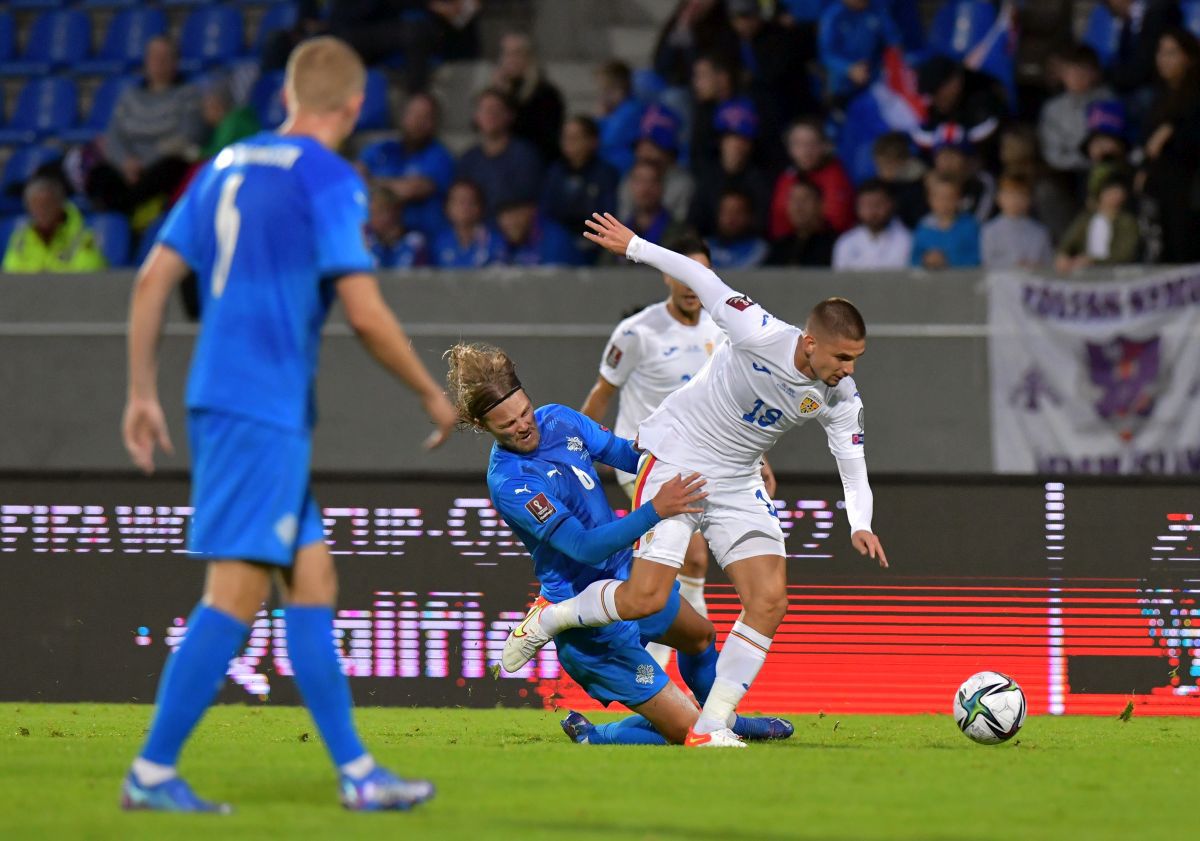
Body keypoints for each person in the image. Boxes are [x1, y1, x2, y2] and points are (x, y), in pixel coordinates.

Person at [119, 37, 457, 813]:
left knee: (314, 578)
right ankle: (152, 770)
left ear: (287, 99)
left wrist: (141, 391)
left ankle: (359, 773)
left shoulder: (228, 163)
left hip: (228, 397)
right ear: (354, 107)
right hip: (258, 407)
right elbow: (367, 314)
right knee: (235, 595)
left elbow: (152, 278)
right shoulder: (331, 177)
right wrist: (428, 394)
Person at [504, 212, 888, 747]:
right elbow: (704, 278)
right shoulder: (756, 329)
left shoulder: (843, 396)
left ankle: (711, 726)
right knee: (642, 600)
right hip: (678, 460)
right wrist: (634, 244)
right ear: (808, 343)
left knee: (770, 600)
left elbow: (851, 461)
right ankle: (551, 618)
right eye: (842, 357)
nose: (849, 370)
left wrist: (860, 522)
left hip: (735, 482)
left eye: (856, 360)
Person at [449, 343, 792, 746]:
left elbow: (631, 456)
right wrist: (654, 510)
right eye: (507, 425)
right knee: (691, 733)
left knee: (699, 638)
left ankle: (727, 719)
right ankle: (598, 737)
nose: (523, 425)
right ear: (482, 426)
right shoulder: (512, 482)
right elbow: (582, 547)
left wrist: (727, 458)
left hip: (632, 582)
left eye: (524, 411)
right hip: (589, 622)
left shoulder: (559, 420)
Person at [580, 233, 738, 668]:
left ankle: (665, 653)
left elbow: (733, 403)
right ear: (666, 274)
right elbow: (601, 395)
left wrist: (759, 460)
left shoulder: (723, 331)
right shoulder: (636, 333)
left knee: (683, 565)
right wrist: (574, 453)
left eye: (703, 273)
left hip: (703, 458)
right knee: (693, 553)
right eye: (684, 272)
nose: (692, 283)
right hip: (643, 458)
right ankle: (690, 655)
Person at [88, 36, 206, 217]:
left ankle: (127, 214)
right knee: (98, 174)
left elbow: (188, 136)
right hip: (127, 168)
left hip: (160, 166)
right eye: (154, 57)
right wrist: (125, 163)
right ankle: (122, 217)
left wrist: (143, 164)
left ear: (175, 62)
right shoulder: (129, 96)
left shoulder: (189, 95)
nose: (159, 63)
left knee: (172, 168)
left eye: (165, 58)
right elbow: (113, 136)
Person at [1138, 27, 1200, 264]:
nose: (1163, 59)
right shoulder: (1159, 96)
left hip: (1188, 185)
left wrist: (1172, 131)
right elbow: (1147, 145)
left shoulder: (1195, 97)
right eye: (1160, 52)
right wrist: (1144, 169)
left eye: (1171, 52)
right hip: (1160, 185)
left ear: (1190, 57)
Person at [359, 92, 456, 238]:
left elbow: (413, 189)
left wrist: (371, 182)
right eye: (413, 114)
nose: (418, 121)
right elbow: (356, 175)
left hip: (424, 241)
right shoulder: (384, 148)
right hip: (380, 241)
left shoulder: (440, 157)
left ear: (434, 122)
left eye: (425, 116)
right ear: (403, 116)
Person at [540, 116, 619, 264]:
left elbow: (608, 214)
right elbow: (546, 211)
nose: (568, 143)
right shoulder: (555, 172)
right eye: (565, 137)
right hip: (559, 242)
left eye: (575, 137)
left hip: (594, 244)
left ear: (592, 141)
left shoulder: (606, 174)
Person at [689, 98, 771, 237]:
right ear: (721, 142)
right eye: (730, 138)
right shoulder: (708, 179)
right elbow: (695, 223)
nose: (736, 145)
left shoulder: (760, 181)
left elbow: (763, 225)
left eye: (742, 139)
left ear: (750, 145)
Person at [456, 88, 544, 217]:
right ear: (476, 116)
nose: (490, 115)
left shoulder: (525, 156)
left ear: (509, 115)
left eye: (496, 109)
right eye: (484, 109)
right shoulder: (468, 159)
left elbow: (528, 205)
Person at [769, 118, 856, 239]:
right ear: (789, 149)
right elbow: (779, 222)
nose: (805, 151)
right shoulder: (787, 178)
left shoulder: (836, 176)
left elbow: (838, 222)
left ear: (824, 146)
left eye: (812, 144)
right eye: (798, 144)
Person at [2, 177, 107, 273]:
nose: (42, 212)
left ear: (60, 205)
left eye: (46, 206)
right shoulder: (21, 238)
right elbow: (10, 271)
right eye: (36, 207)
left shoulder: (82, 237)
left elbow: (90, 271)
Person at [1038, 44, 1114, 176]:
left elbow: (1115, 145)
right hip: (1067, 173)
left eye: (1083, 71)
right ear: (1062, 74)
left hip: (1105, 169)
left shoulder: (1108, 100)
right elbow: (1053, 154)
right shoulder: (1053, 109)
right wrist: (1082, 161)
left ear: (1095, 73)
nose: (1077, 77)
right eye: (1071, 71)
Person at [491, 32, 565, 164]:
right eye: (506, 54)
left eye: (517, 53)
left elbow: (540, 136)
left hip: (535, 160)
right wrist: (499, 96)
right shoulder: (497, 92)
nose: (510, 60)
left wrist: (507, 100)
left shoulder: (546, 93)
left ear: (529, 57)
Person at [818, 0, 902, 103]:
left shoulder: (877, 10)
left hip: (875, 79)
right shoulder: (833, 16)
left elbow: (893, 40)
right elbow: (827, 53)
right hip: (844, 82)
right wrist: (848, 69)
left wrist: (893, 57)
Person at [1055, 174, 1140, 273]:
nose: (1114, 196)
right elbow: (1068, 241)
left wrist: (1092, 261)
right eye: (1110, 192)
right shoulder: (1086, 219)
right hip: (1086, 273)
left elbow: (1124, 254)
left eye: (1117, 192)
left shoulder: (1127, 222)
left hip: (1115, 273)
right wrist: (1063, 255)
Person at [832, 179, 912, 270]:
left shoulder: (907, 240)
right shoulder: (846, 242)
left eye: (878, 204)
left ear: (891, 204)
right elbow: (839, 281)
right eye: (866, 205)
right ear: (857, 208)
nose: (872, 211)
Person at [980, 173, 1054, 269]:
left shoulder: (1040, 232)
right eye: (1010, 193)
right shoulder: (989, 230)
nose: (1015, 199)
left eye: (1021, 194)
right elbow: (987, 263)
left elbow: (1048, 264)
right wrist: (1015, 264)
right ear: (999, 198)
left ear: (1029, 199)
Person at [910, 173, 982, 268]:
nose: (944, 203)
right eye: (939, 198)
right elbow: (913, 260)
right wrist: (925, 260)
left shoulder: (969, 225)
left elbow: (977, 258)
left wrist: (948, 260)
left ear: (959, 199)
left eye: (949, 198)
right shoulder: (923, 226)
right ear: (929, 199)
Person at [431, 179, 504, 268]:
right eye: (459, 202)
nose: (465, 207)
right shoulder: (437, 242)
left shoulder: (494, 241)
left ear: (480, 207)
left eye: (470, 202)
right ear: (447, 207)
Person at [619, 161, 690, 249]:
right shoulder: (621, 229)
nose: (645, 188)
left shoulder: (680, 233)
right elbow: (605, 261)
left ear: (662, 186)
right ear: (630, 186)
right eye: (639, 181)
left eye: (652, 181)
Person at [767, 179, 836, 267]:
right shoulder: (779, 247)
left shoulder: (835, 245)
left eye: (805, 199)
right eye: (793, 199)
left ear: (821, 205)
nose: (798, 206)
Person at [494, 199, 580, 267]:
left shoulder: (554, 240)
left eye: (515, 213)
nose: (510, 222)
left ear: (531, 210)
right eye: (504, 215)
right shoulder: (498, 238)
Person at [596, 61, 645, 174]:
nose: (603, 95)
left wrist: (603, 119)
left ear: (620, 88)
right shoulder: (611, 112)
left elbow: (608, 141)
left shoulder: (632, 110)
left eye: (607, 89)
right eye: (602, 89)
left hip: (622, 169)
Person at [871, 131, 928, 229]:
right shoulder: (881, 185)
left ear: (902, 162)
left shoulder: (919, 186)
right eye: (878, 165)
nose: (881, 171)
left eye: (886, 165)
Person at [365, 186, 430, 269]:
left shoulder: (415, 243)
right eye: (370, 213)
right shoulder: (366, 242)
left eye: (380, 212)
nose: (374, 218)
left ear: (395, 211)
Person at [707, 188, 770, 269]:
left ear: (749, 216)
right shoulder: (705, 246)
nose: (731, 218)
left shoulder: (759, 249)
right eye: (726, 212)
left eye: (738, 212)